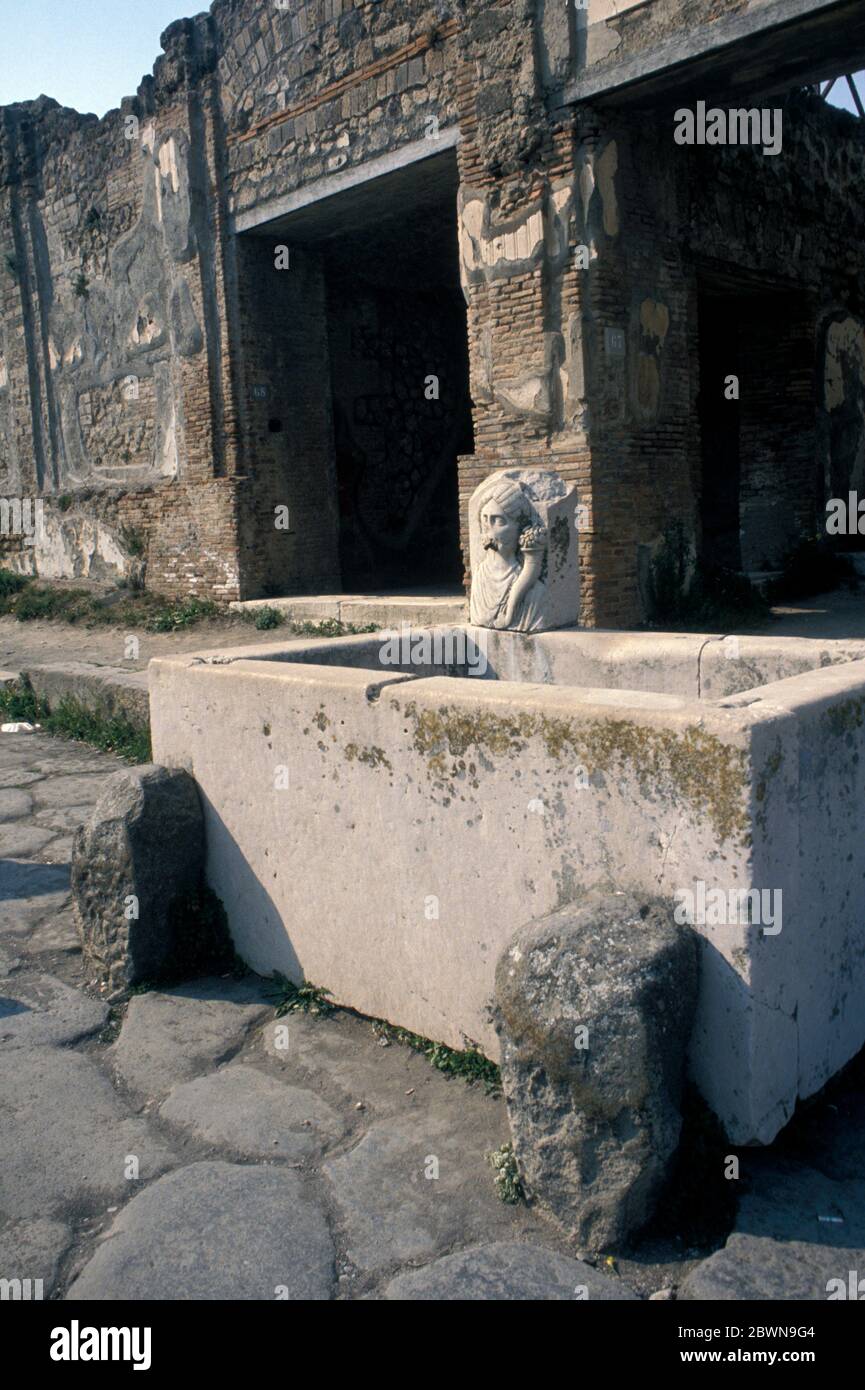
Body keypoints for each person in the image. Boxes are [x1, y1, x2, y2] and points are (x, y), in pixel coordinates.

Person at [469, 477, 548, 631]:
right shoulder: (479, 579)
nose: (489, 529)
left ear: (520, 527)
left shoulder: (535, 592)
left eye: (498, 521)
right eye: (485, 520)